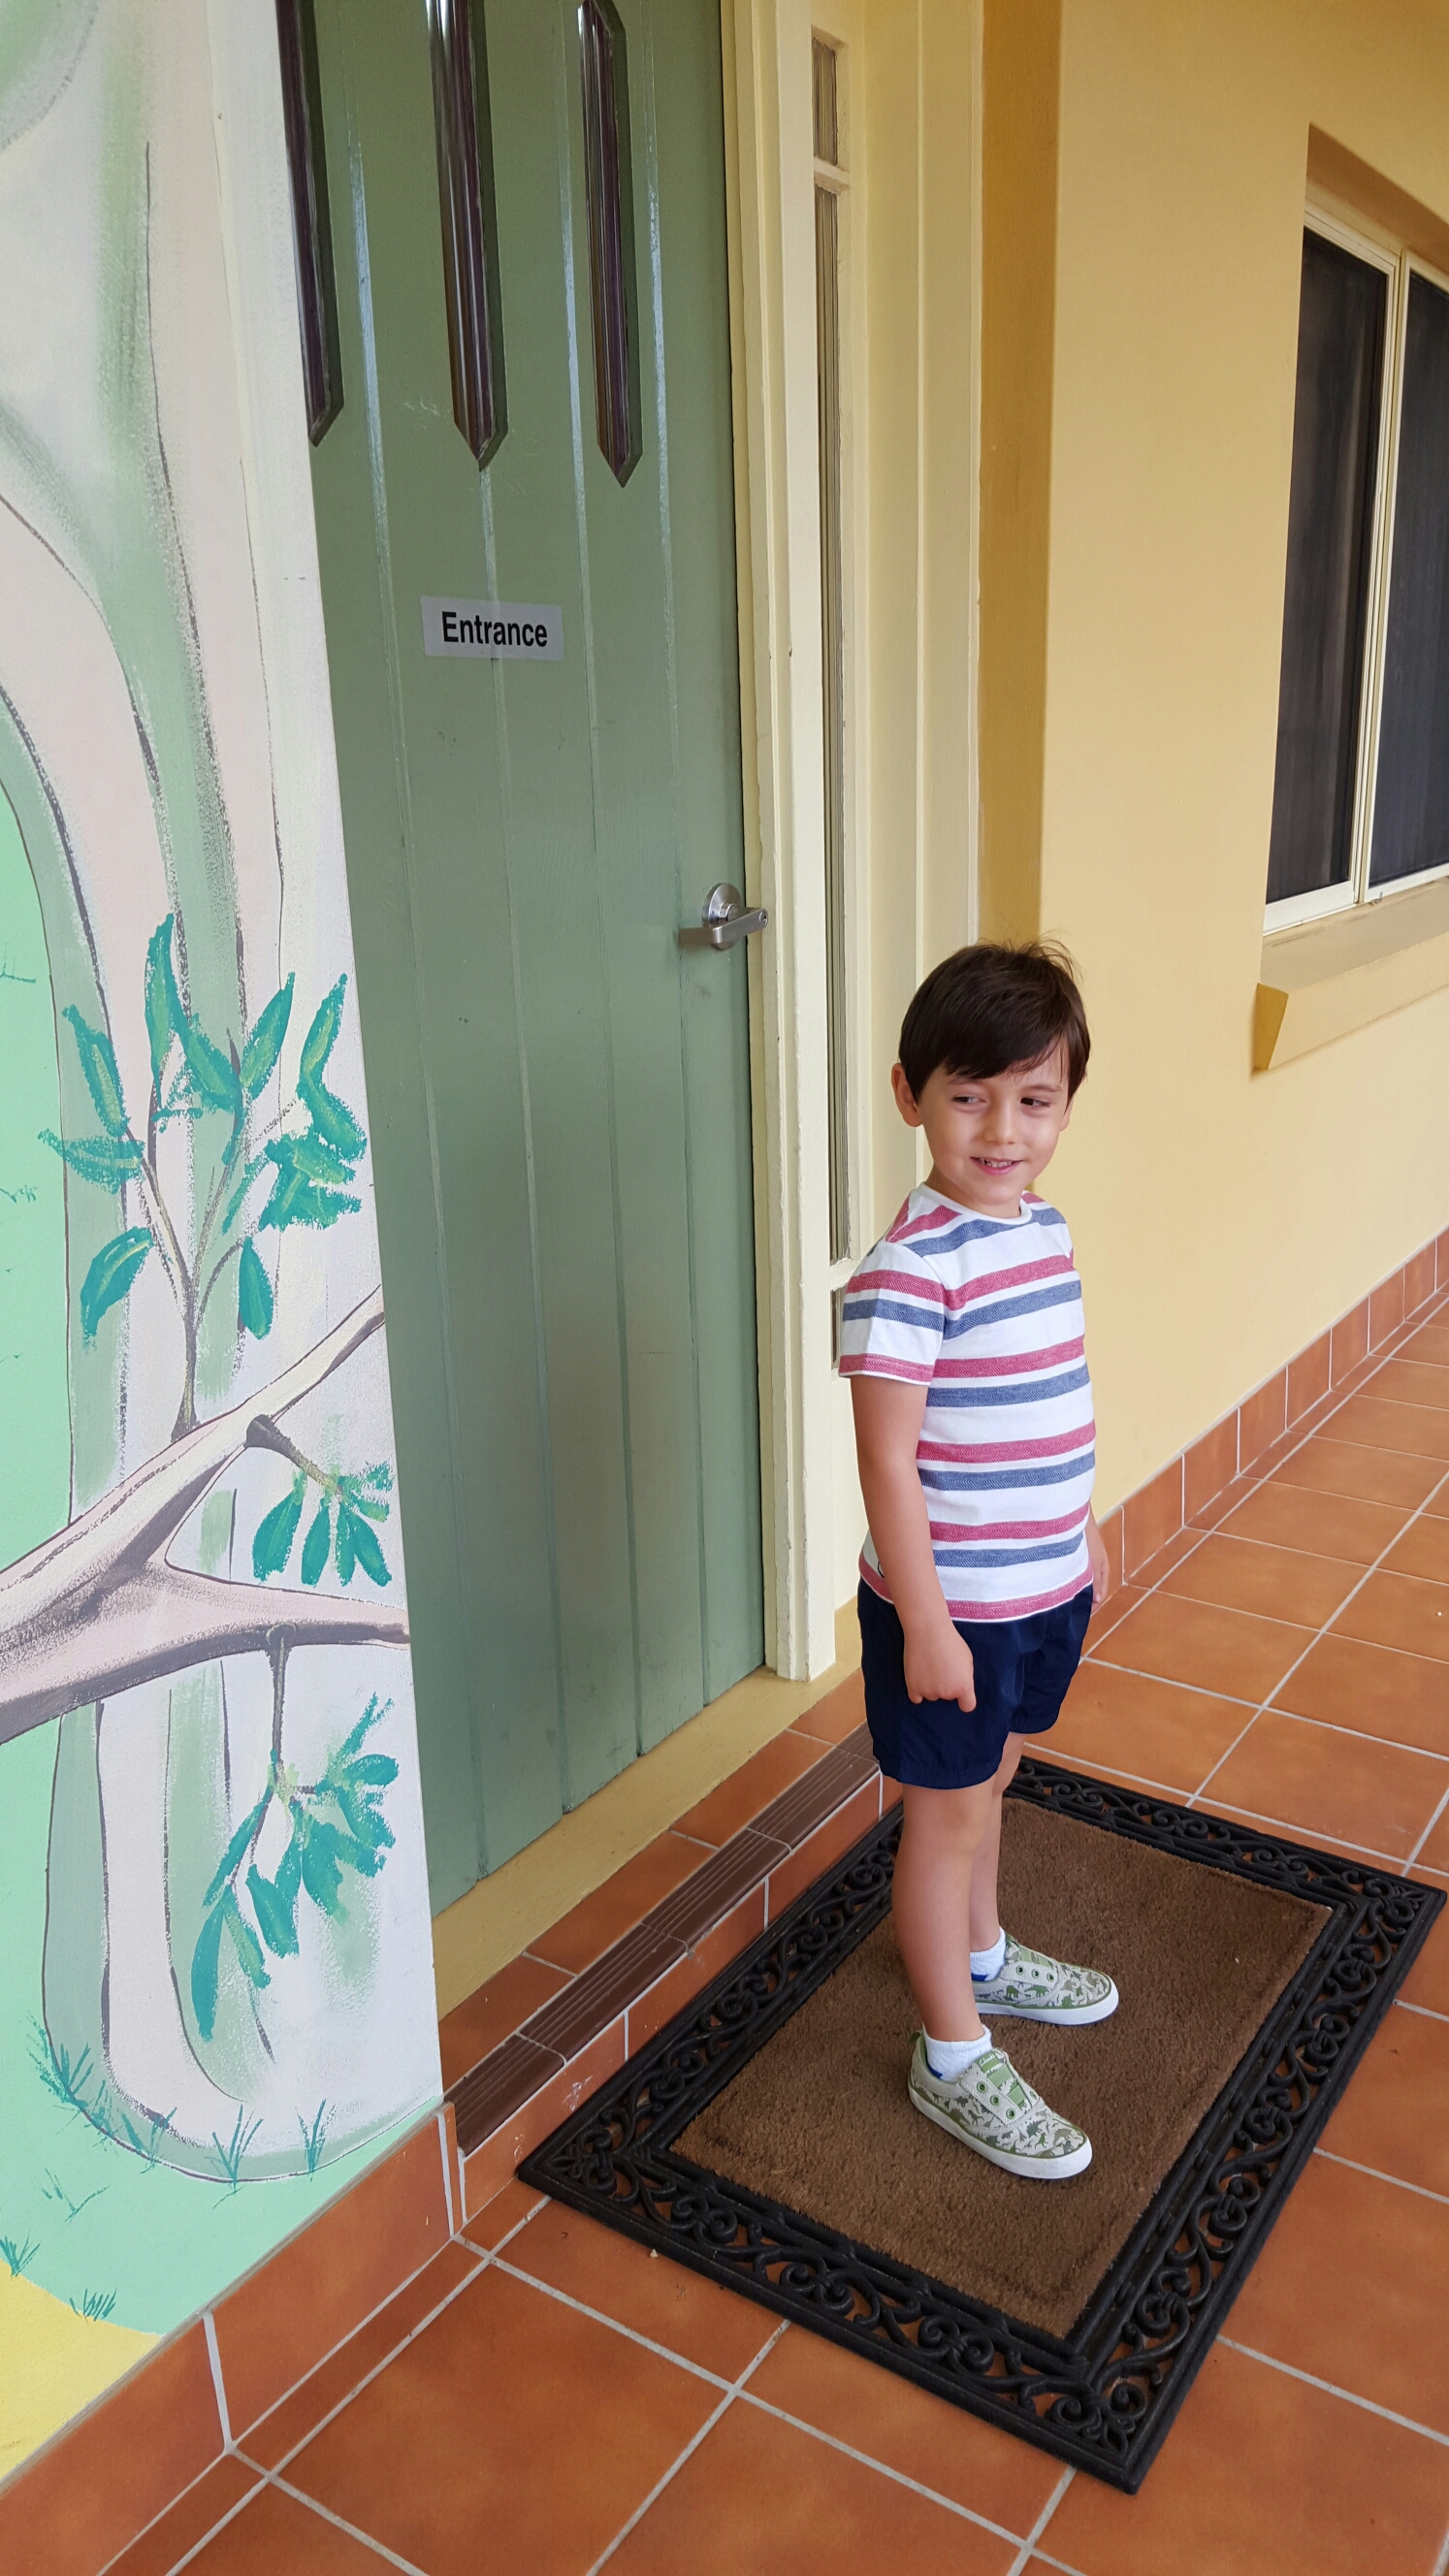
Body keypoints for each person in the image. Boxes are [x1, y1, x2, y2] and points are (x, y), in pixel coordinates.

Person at [840, 941, 1115, 2180]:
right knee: (944, 1819)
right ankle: (951, 2055)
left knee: (991, 1780)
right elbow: (888, 1461)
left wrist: (1079, 1527)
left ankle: (986, 1957)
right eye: (970, 1096)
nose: (1003, 1130)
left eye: (1034, 1099)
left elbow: (1044, 1400)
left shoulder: (1041, 1228)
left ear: (1065, 1102)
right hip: (953, 1613)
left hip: (1041, 1587)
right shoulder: (908, 1271)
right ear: (911, 1094)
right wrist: (928, 1623)